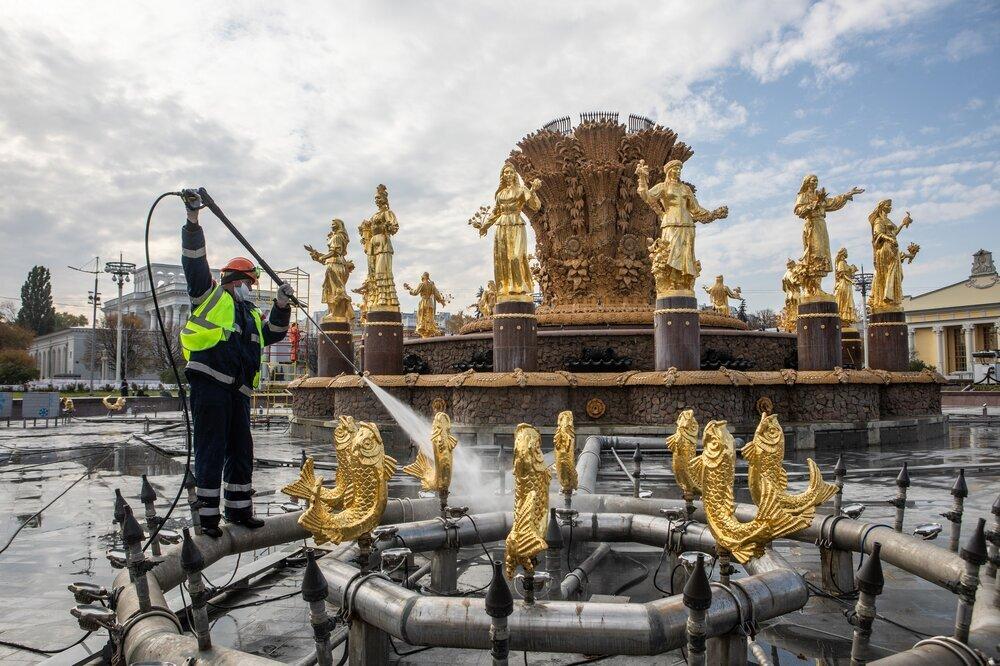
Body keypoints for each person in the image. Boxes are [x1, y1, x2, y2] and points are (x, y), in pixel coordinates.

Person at [180, 202, 294, 537]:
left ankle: (240, 509)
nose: (253, 289)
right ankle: (208, 518)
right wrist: (192, 221)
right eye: (251, 283)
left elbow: (272, 333)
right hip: (211, 386)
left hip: (238, 392)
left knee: (241, 451)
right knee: (211, 449)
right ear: (237, 280)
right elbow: (193, 262)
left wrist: (282, 305)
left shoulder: (249, 314)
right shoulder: (210, 297)